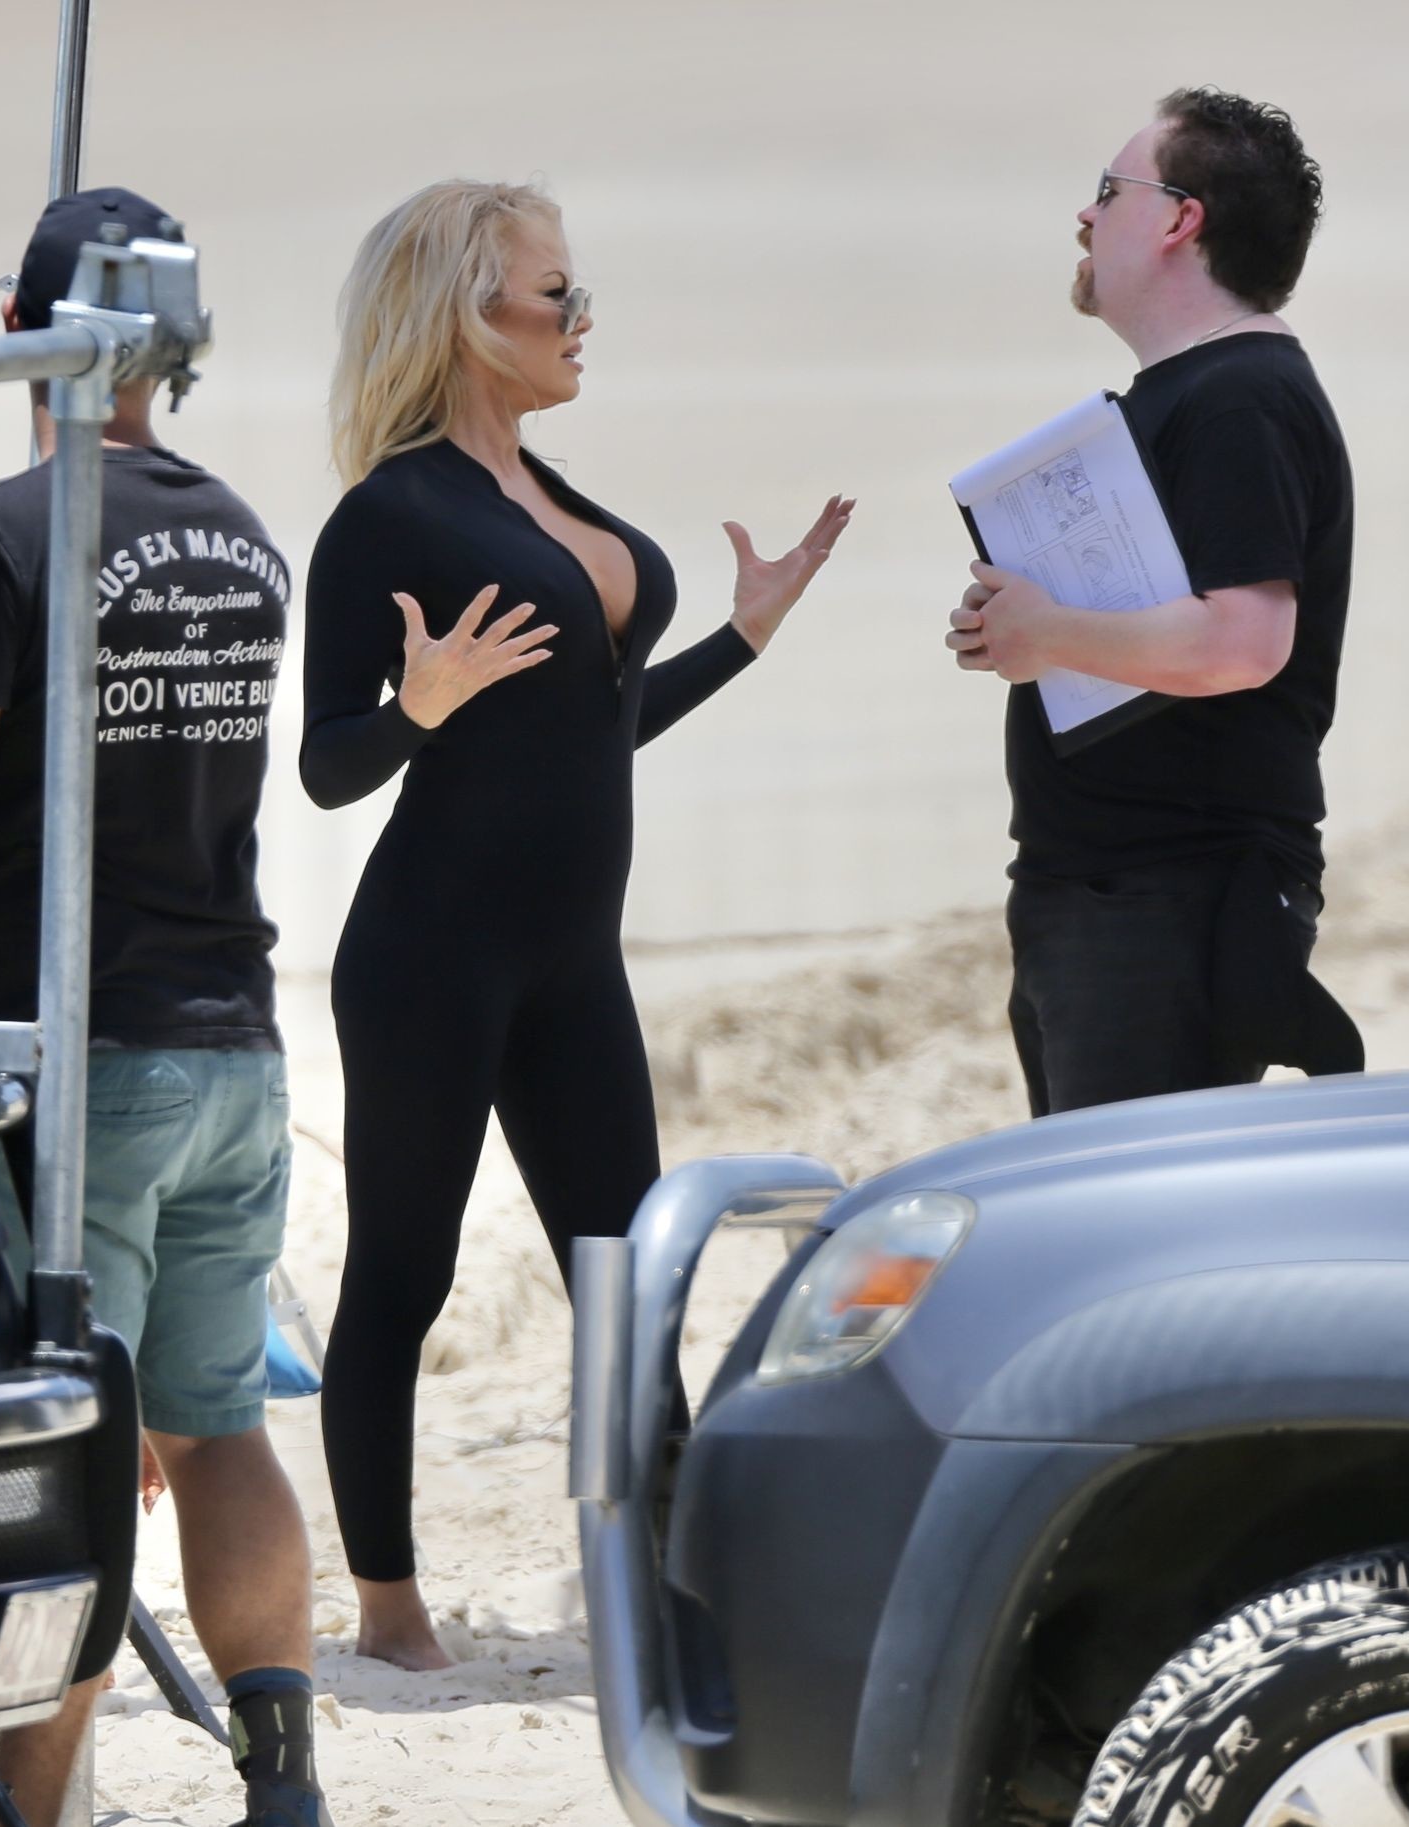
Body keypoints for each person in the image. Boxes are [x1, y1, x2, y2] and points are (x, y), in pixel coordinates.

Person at [0, 188, 331, 1827]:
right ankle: (285, 1782)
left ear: (25, 330)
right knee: (219, 1427)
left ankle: (31, 1805)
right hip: (239, 1043)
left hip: (93, 1059)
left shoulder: (7, 529)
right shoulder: (242, 530)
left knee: (77, 1441)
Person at [304, 179, 851, 1669]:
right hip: (428, 959)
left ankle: (659, 1589)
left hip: (570, 965)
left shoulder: (550, 493)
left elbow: (590, 732)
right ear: (469, 315)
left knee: (625, 1276)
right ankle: (390, 1610)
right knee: (401, 1277)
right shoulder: (390, 514)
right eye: (560, 294)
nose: (583, 316)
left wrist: (743, 635)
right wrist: (418, 707)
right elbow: (328, 764)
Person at [947, 86, 1361, 1117]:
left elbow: (1245, 642)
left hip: (1170, 894)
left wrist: (1048, 631)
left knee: (1131, 1209)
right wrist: (1019, 627)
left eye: (1108, 190)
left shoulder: (1242, 396)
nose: (1084, 216)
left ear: (1181, 220)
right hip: (1109, 891)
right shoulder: (1197, 391)